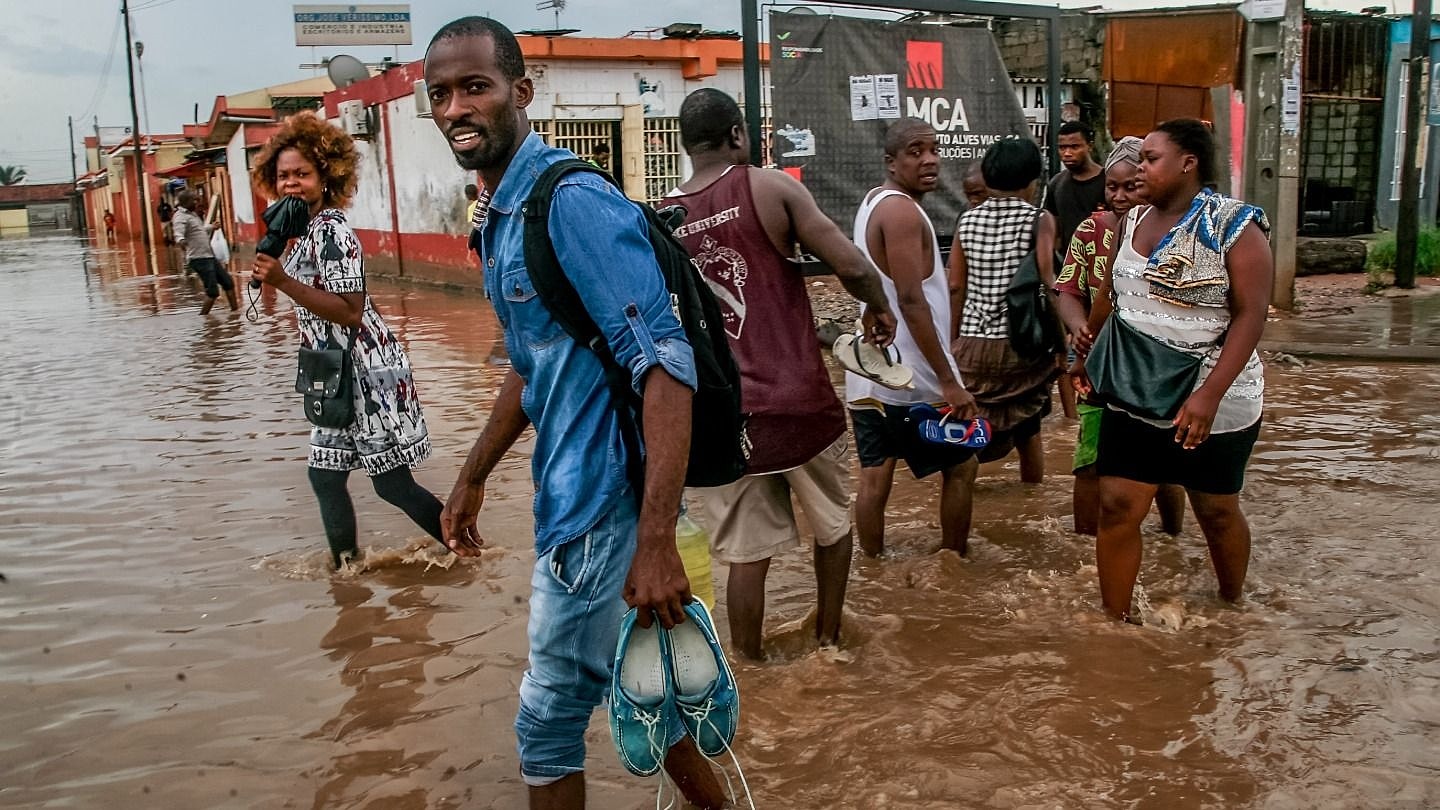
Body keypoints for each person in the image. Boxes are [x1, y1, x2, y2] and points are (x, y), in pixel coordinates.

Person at [423, 17, 725, 808]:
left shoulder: (570, 203)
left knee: (548, 725)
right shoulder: (500, 215)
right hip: (572, 504)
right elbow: (533, 366)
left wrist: (653, 543)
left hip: (604, 512)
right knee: (655, 706)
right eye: (441, 94)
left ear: (521, 91)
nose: (456, 108)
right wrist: (472, 476)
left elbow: (666, 368)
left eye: (475, 87)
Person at [666, 88, 897, 659]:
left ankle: (749, 666)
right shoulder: (770, 187)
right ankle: (829, 643)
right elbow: (851, 265)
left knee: (746, 556)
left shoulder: (662, 217)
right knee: (833, 528)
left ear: (686, 145)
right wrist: (878, 308)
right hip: (799, 403)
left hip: (722, 417)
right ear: (737, 135)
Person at [248, 110, 471, 570]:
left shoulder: (332, 231)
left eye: (302, 174)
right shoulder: (302, 232)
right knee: (326, 478)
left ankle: (467, 553)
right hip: (331, 371)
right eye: (284, 176)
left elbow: (350, 311)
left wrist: (283, 282)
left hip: (365, 371)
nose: (291, 184)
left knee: (392, 484)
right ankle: (348, 576)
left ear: (326, 177)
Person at [1077, 119, 1271, 622]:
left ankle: (1233, 610)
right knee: (1117, 505)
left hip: (1212, 397)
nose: (1139, 168)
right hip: (1133, 389)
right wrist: (1087, 355)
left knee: (1216, 511)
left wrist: (1208, 395)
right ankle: (1114, 626)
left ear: (1188, 163)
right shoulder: (1132, 220)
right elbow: (1112, 295)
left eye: (1151, 158)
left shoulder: (1235, 226)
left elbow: (1251, 316)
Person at [846, 118, 980, 558]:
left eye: (934, 150)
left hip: (868, 373)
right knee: (962, 466)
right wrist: (948, 380)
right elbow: (910, 300)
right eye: (916, 152)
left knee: (874, 477)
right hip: (914, 377)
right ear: (892, 162)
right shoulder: (902, 212)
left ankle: (872, 569)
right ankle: (953, 564)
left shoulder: (872, 201)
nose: (930, 160)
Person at [1053, 136, 1185, 537]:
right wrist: (1079, 328)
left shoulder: (1173, 231)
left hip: (1156, 366)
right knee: (1089, 459)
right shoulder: (1091, 230)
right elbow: (1068, 289)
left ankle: (1171, 538)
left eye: (1131, 186)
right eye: (1112, 187)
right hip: (1099, 362)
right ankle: (1084, 548)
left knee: (1163, 464)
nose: (1120, 196)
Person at [950, 137, 1061, 484]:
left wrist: (953, 344)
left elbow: (955, 287)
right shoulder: (1039, 219)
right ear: (1033, 182)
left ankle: (961, 496)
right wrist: (1062, 348)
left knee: (964, 436)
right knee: (1030, 429)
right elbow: (1049, 285)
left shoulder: (966, 221)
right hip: (1020, 349)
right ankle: (1032, 497)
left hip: (971, 348)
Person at [170, 188, 237, 315]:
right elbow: (178, 233)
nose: (197, 203)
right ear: (186, 202)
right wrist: (181, 241)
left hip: (209, 256)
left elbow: (199, 230)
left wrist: (212, 227)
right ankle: (204, 320)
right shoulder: (180, 216)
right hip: (199, 259)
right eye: (194, 200)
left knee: (228, 283)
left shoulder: (192, 214)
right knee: (212, 292)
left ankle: (235, 314)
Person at [1043, 121, 1106, 250]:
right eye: (1062, 148)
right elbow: (1053, 229)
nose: (1067, 153)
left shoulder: (1108, 182)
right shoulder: (1056, 184)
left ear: (1090, 146)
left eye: (1074, 147)